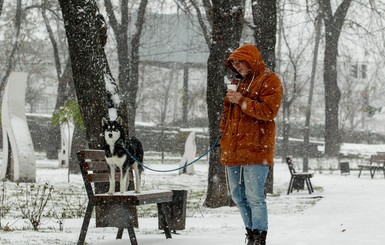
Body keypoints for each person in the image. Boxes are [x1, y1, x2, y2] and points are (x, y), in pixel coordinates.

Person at [219, 44, 283, 245]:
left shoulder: (269, 80)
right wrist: (223, 134)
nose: (237, 67)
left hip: (256, 149)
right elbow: (226, 112)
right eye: (234, 64)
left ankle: (259, 236)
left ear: (251, 59)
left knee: (255, 197)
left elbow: (269, 112)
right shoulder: (236, 82)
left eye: (240, 62)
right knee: (238, 196)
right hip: (233, 149)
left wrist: (242, 100)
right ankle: (250, 232)